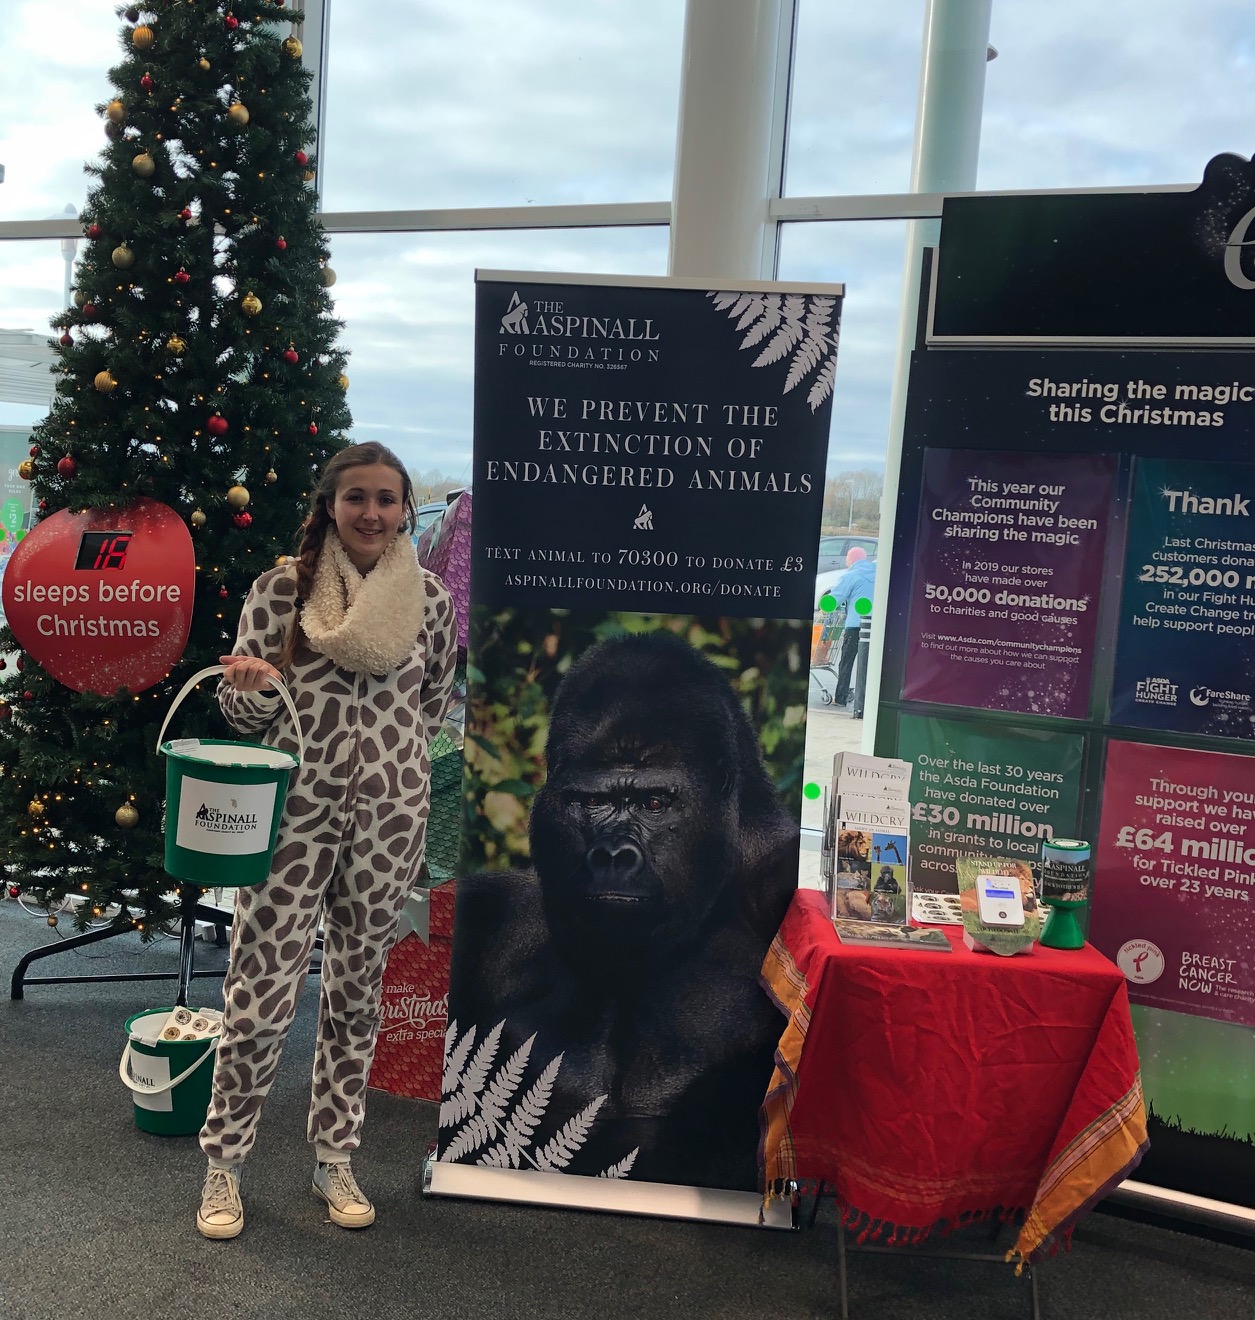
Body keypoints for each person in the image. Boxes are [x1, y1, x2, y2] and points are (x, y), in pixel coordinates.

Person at [194, 442, 458, 1240]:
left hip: (389, 817)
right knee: (258, 992)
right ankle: (224, 1164)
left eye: (385, 498)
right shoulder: (283, 588)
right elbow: (242, 715)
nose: (371, 513)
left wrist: (388, 766)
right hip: (291, 817)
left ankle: (334, 1156)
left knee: (357, 996)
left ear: (404, 508)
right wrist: (248, 694)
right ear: (329, 506)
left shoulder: (430, 599)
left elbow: (432, 704)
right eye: (356, 498)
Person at [831, 546, 876, 709]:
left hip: (855, 626)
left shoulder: (850, 576)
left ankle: (841, 698)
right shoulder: (880, 573)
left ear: (849, 561)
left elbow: (833, 600)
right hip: (876, 626)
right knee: (872, 664)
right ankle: (869, 701)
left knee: (846, 663)